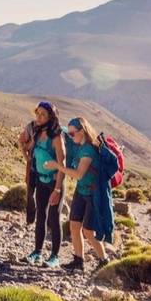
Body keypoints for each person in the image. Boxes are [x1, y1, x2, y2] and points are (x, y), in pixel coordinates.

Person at [44, 116, 108, 271]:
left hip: (93, 194)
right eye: (70, 134)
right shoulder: (79, 146)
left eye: (73, 134)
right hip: (81, 191)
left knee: (88, 231)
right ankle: (78, 261)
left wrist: (57, 166)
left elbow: (79, 174)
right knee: (74, 226)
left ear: (83, 131)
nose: (71, 137)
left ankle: (104, 261)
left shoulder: (89, 149)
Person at [23, 101, 66, 268]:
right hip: (41, 180)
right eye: (37, 113)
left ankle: (55, 256)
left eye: (42, 115)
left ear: (50, 118)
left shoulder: (56, 138)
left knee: (54, 218)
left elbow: (63, 166)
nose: (38, 117)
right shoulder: (37, 134)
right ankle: (37, 252)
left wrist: (56, 190)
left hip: (55, 181)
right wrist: (22, 145)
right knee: (41, 216)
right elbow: (29, 154)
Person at [18, 119, 37, 224]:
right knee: (30, 191)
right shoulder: (30, 127)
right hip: (32, 164)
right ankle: (30, 219)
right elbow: (26, 152)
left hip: (40, 164)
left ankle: (41, 220)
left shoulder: (50, 128)